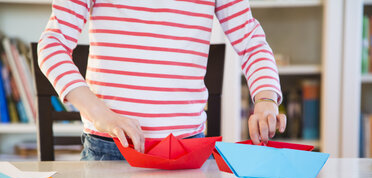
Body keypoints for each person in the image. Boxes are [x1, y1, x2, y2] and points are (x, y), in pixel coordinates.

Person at [38, 0, 286, 160]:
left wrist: (265, 98)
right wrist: (100, 114)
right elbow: (52, 45)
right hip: (111, 150)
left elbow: (252, 43)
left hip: (186, 153)